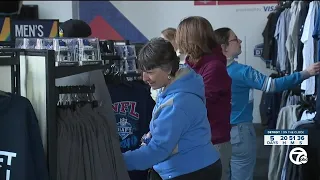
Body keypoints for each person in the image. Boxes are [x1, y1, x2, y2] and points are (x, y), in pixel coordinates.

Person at [214, 27, 320, 180]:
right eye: (235, 39)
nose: (240, 41)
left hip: (219, 134)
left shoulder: (211, 72)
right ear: (224, 47)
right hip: (241, 132)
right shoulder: (242, 71)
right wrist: (306, 73)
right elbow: (272, 85)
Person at [122, 37, 222, 180]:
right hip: (196, 166)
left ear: (168, 68)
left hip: (192, 172)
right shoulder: (178, 88)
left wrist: (116, 161)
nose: (144, 78)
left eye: (150, 71)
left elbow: (157, 151)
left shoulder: (177, 103)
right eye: (142, 71)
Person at [176, 16, 232, 180]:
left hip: (214, 143)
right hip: (197, 143)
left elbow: (196, 105)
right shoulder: (191, 66)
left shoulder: (213, 67)